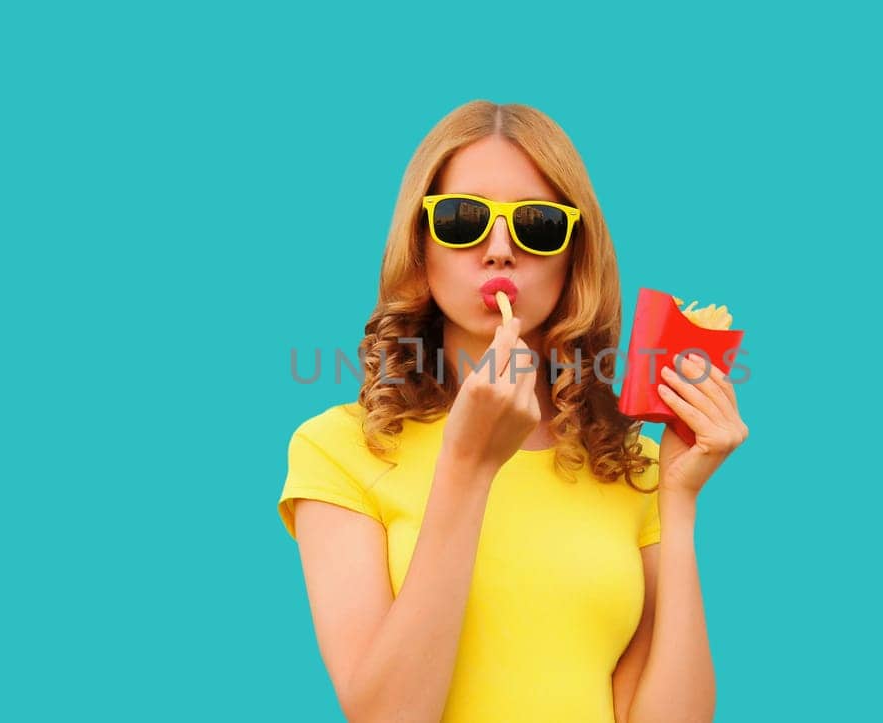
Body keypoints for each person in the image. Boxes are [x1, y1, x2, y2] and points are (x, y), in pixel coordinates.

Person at [276, 100, 748, 722]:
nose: (499, 250)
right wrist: (468, 464)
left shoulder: (630, 463)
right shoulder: (338, 449)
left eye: (538, 226)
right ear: (420, 246)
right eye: (463, 220)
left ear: (573, 257)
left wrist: (679, 504)